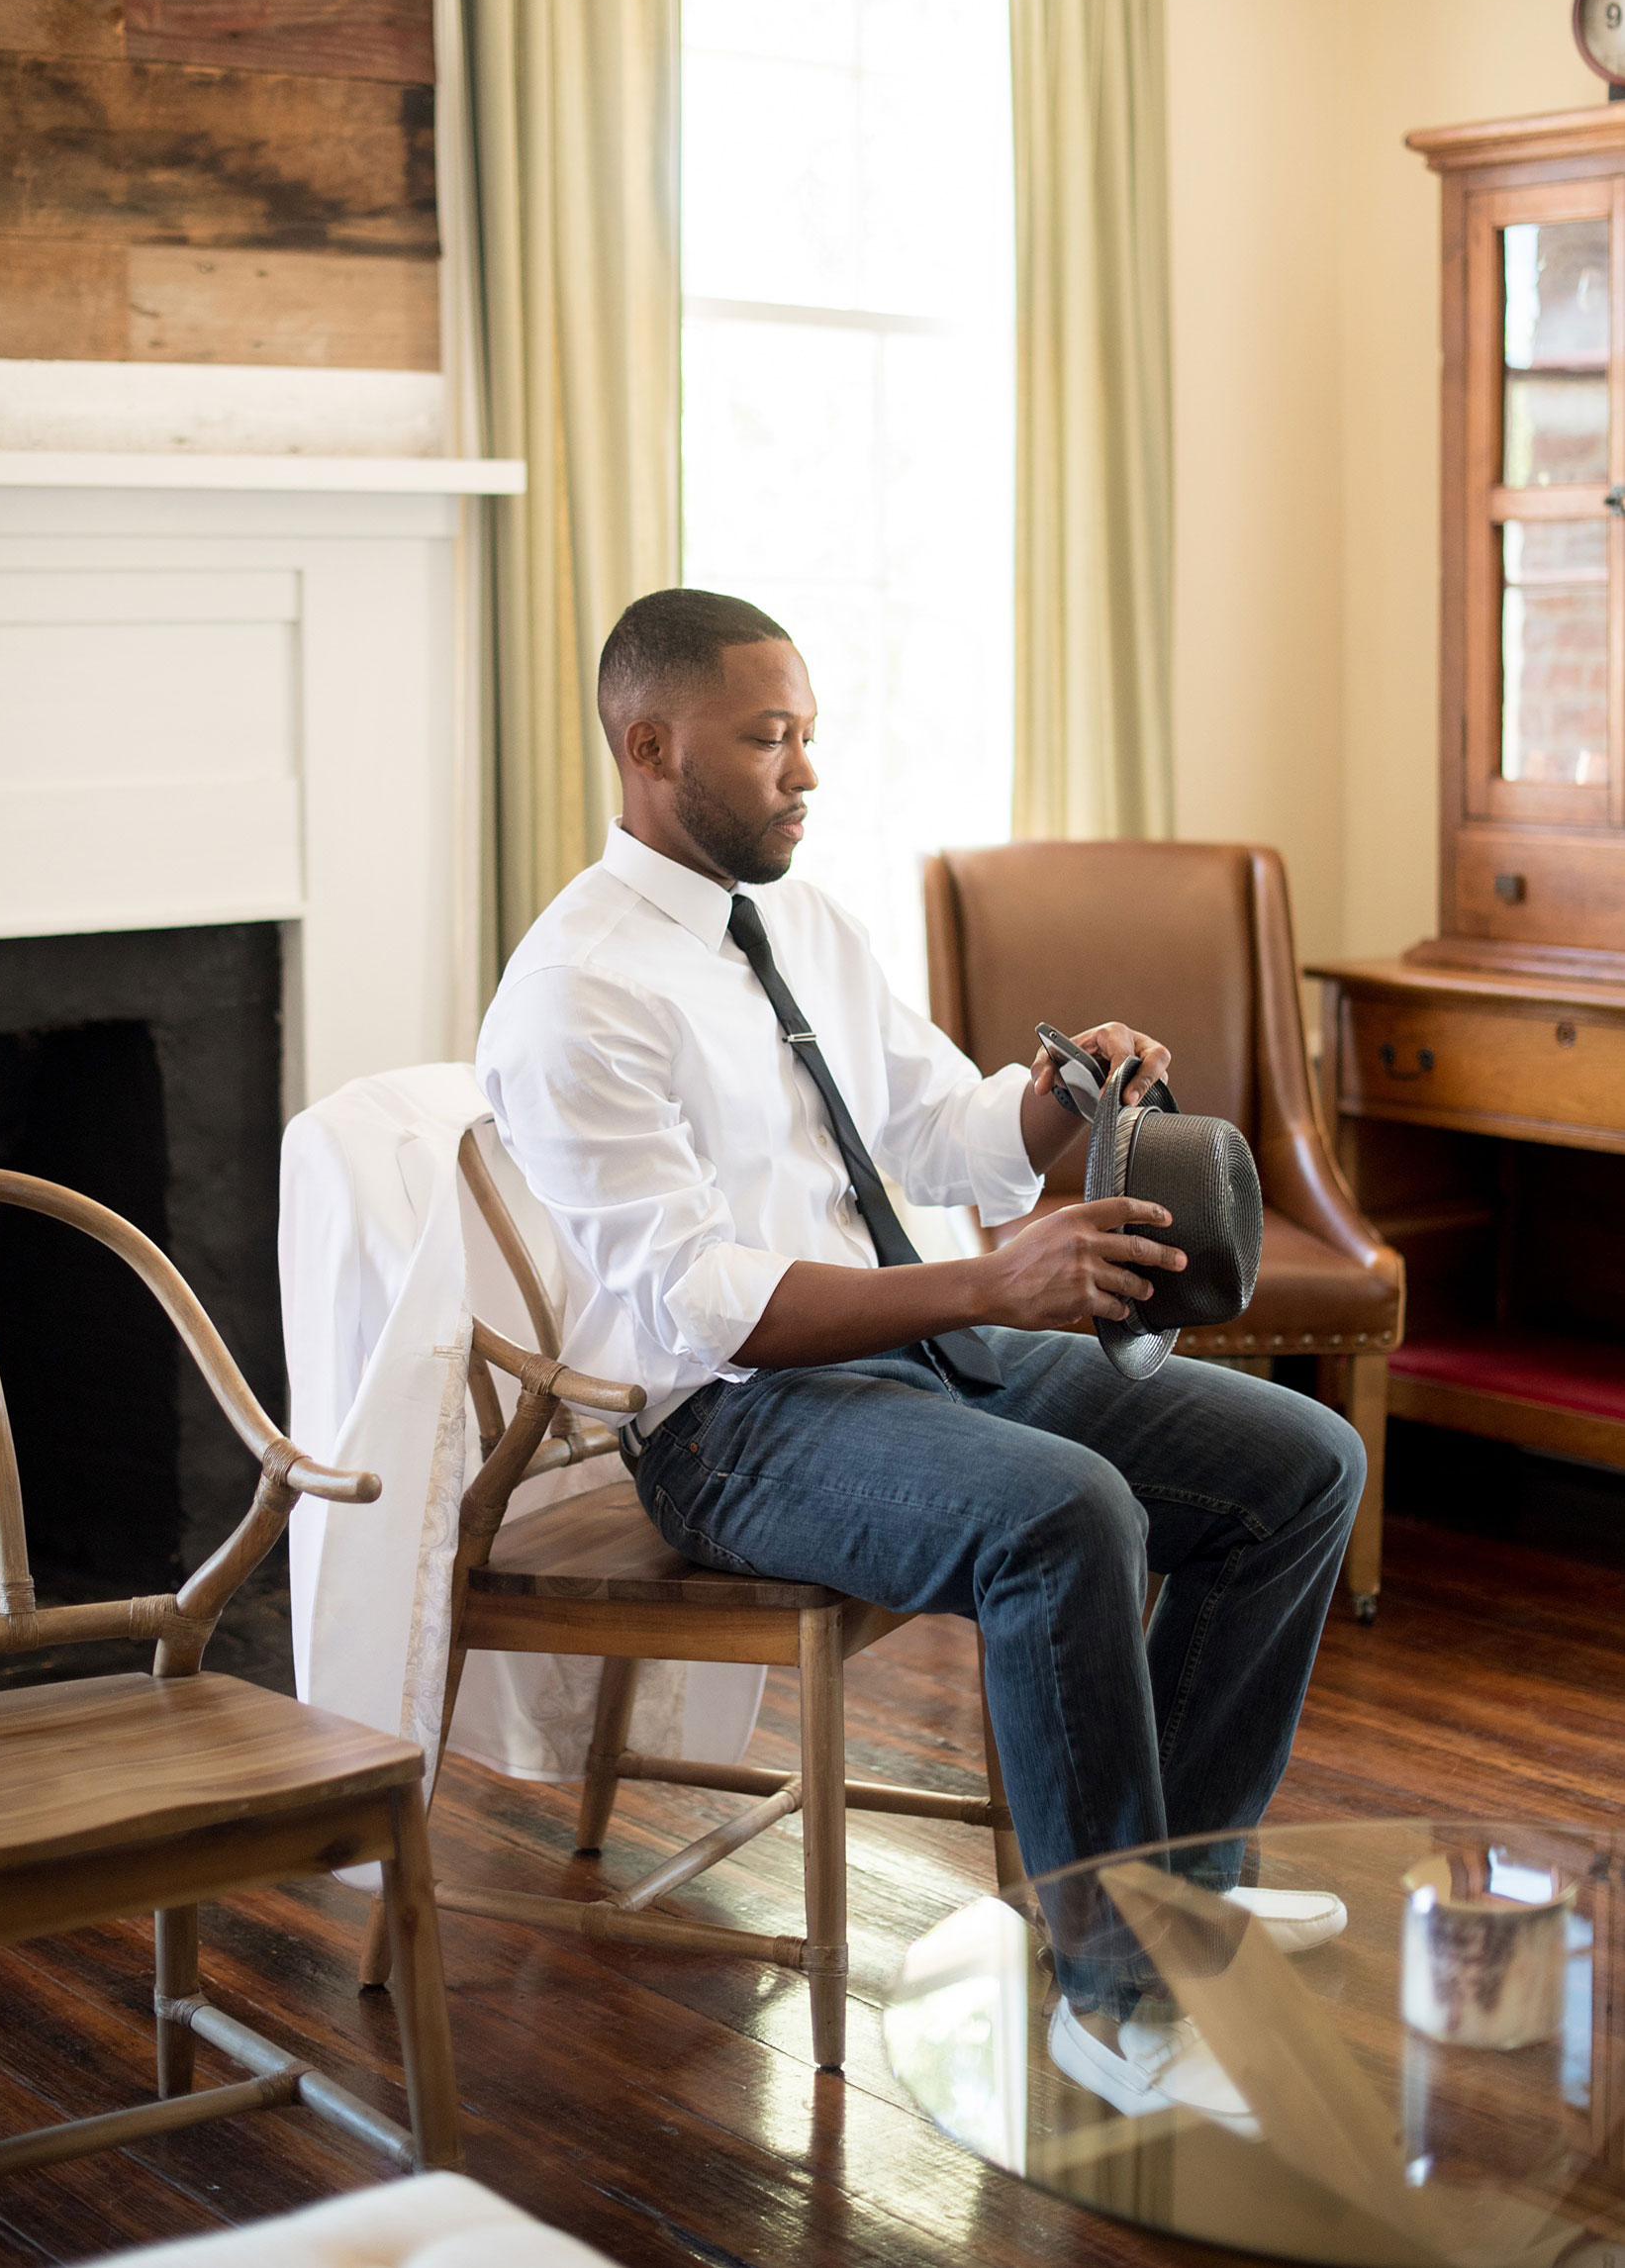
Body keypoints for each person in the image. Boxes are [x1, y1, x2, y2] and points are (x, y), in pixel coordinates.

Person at [477, 589, 1365, 2118]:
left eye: (809, 734)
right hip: (738, 1423)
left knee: (1303, 1464)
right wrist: (990, 1290)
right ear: (647, 745)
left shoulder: (802, 915)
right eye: (769, 741)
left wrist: (1061, 1096)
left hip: (928, 1352)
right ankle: (1116, 2000)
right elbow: (708, 1302)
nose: (806, 771)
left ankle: (1174, 1886)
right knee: (1063, 1509)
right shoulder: (576, 989)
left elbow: (932, 1125)